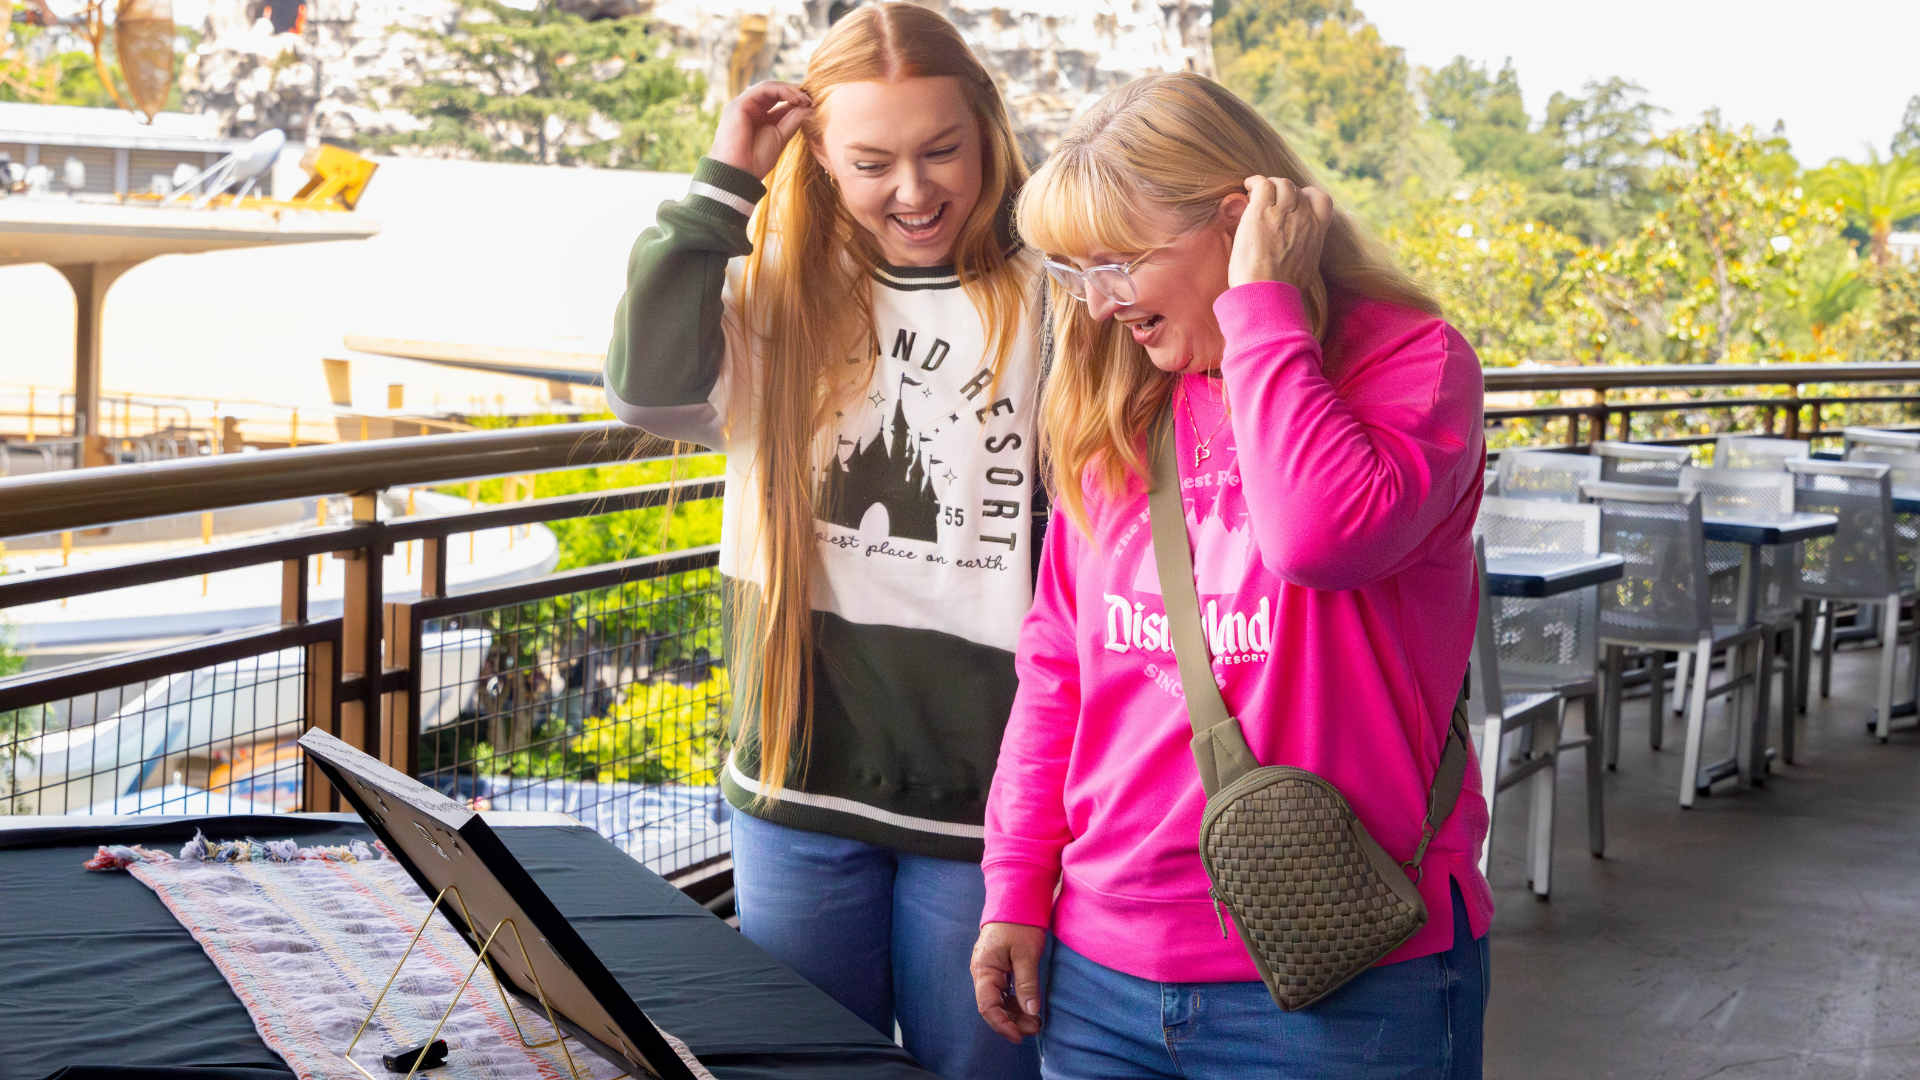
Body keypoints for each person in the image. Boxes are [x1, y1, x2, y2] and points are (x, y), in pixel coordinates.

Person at [970, 72, 1492, 1078]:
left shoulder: (1412, 366)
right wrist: (1017, 888)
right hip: (1100, 970)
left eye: (1118, 262)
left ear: (1243, 219)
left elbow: (1319, 538)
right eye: (1073, 270)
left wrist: (1264, 312)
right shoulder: (1121, 398)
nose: (1097, 303)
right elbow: (1059, 677)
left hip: (1347, 968)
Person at [602, 6, 1044, 1077]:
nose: (913, 189)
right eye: (872, 161)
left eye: (940, 149)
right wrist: (722, 183)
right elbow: (648, 386)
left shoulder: (1052, 296)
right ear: (820, 161)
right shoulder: (777, 298)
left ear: (985, 131)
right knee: (803, 1069)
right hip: (800, 772)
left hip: (983, 790)